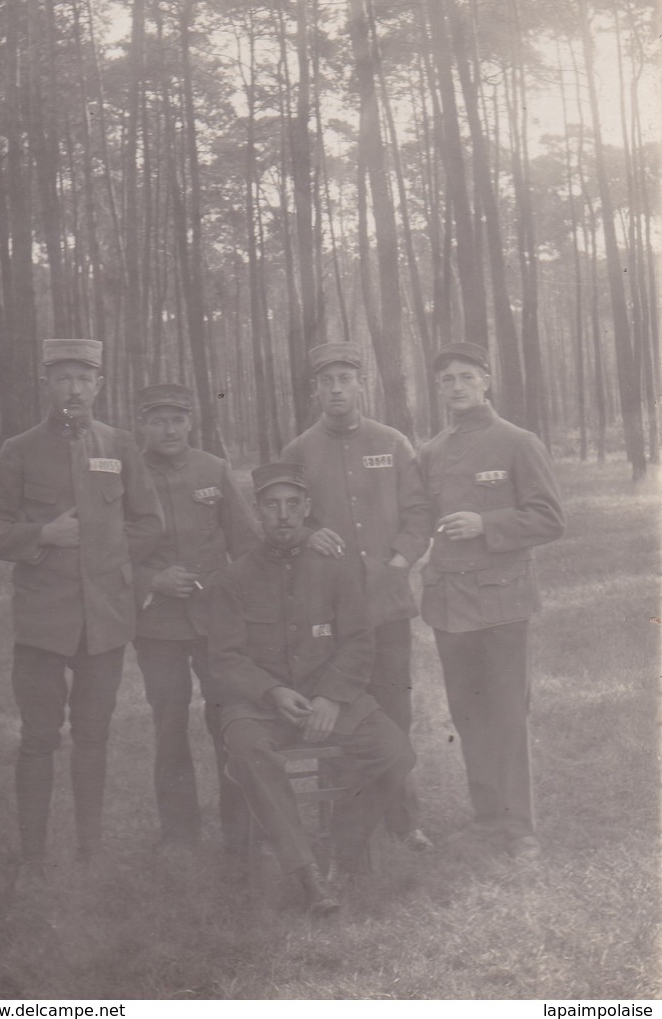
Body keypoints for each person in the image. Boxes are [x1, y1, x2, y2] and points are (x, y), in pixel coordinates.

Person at [0, 339, 164, 892]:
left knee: (93, 735)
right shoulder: (19, 450)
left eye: (84, 379)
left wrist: (102, 552)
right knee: (38, 737)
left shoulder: (121, 446)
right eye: (63, 379)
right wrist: (44, 535)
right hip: (42, 624)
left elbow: (148, 524)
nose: (74, 390)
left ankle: (90, 849)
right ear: (47, 384)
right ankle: (32, 858)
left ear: (100, 385)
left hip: (103, 621)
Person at [208, 463, 416, 915]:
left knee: (397, 751)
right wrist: (271, 693)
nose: (282, 515)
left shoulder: (335, 569)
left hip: (331, 701)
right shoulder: (234, 578)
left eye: (292, 505)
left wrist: (331, 696)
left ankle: (343, 847)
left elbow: (360, 639)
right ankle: (305, 873)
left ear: (306, 509)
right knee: (246, 750)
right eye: (271, 505)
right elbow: (224, 658)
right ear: (258, 512)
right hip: (262, 709)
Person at [281, 342, 431, 850]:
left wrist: (399, 561)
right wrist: (305, 537)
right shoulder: (299, 452)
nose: (337, 388)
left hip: (386, 605)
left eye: (346, 378)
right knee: (343, 712)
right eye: (327, 381)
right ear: (315, 390)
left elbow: (417, 514)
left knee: (394, 711)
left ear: (361, 383)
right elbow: (284, 520)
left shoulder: (392, 443)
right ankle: (348, 826)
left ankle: (404, 821)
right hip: (332, 615)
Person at [419, 341, 565, 861]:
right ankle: (486, 819)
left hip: (504, 602)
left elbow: (550, 518)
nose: (456, 387)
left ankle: (521, 828)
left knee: (507, 712)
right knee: (467, 713)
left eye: (466, 377)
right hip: (450, 605)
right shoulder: (432, 450)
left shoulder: (518, 442)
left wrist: (487, 524)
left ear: (486, 381)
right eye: (447, 380)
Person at [133, 383, 260, 856]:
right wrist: (151, 579)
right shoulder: (128, 475)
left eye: (177, 419)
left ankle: (241, 827)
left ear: (191, 422)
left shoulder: (214, 469)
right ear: (141, 425)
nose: (169, 429)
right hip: (157, 626)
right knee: (168, 726)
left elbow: (246, 545)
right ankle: (180, 836)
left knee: (230, 719)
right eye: (158, 420)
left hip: (215, 624)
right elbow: (107, 554)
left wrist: (235, 597)